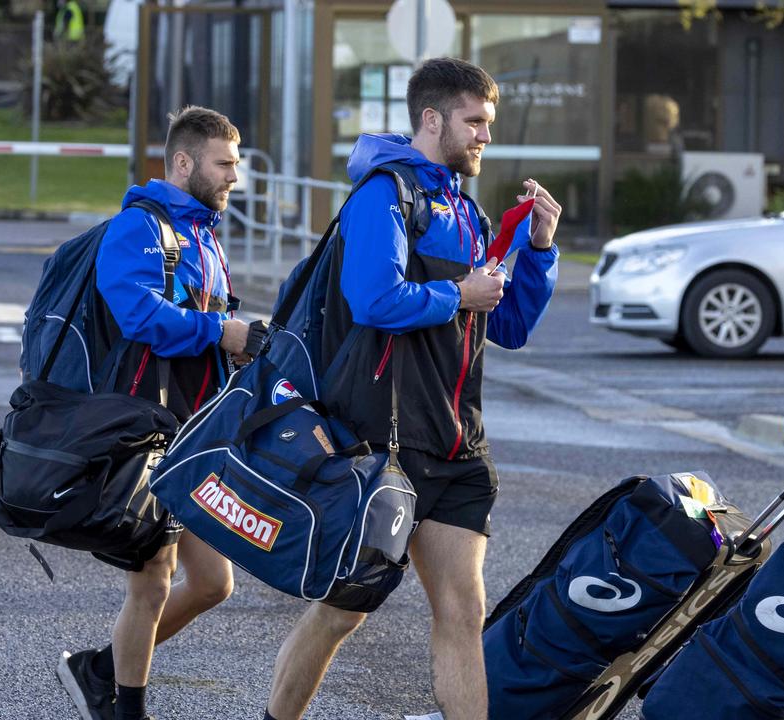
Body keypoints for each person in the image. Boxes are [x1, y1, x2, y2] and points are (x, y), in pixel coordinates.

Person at [262, 58, 561, 720]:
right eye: (474, 122)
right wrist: (457, 293)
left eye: (489, 123)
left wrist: (538, 252)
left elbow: (506, 325)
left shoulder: (468, 210)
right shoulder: (384, 195)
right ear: (432, 120)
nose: (486, 136)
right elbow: (372, 298)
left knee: (464, 610)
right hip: (384, 445)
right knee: (342, 614)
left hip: (457, 446)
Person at [56, 105, 252, 720]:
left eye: (237, 165)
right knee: (153, 578)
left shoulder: (202, 234)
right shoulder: (139, 226)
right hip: (147, 431)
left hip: (194, 434)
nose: (234, 178)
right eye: (224, 164)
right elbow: (136, 313)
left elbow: (206, 326)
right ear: (185, 162)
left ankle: (97, 669)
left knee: (214, 582)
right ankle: (123, 707)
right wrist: (221, 330)